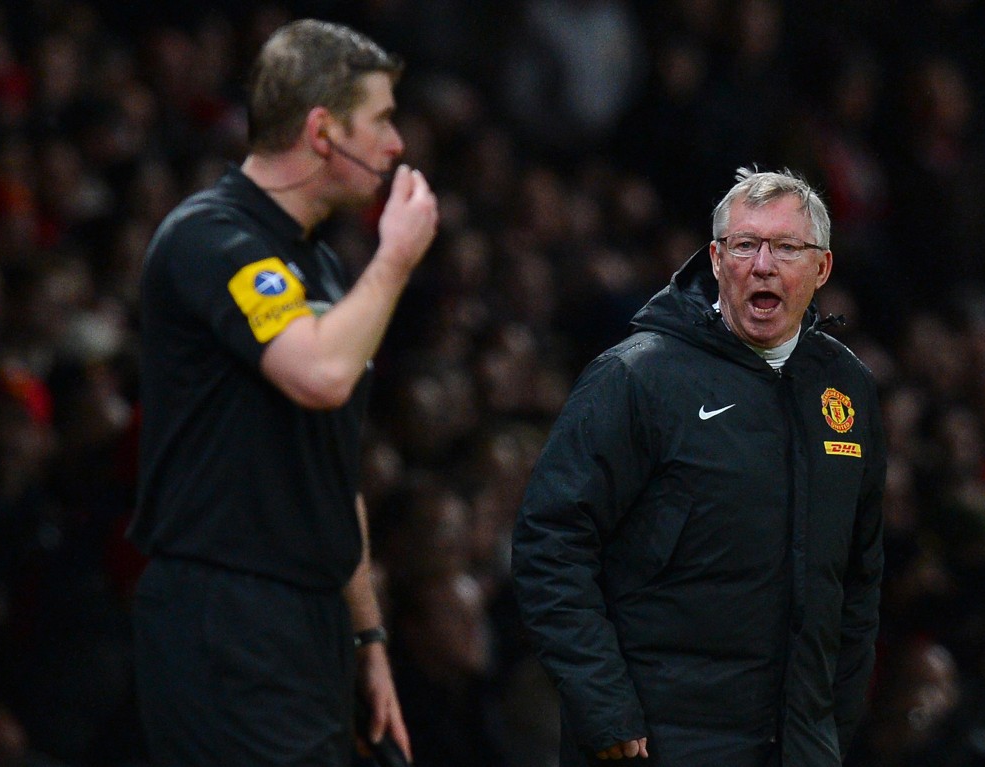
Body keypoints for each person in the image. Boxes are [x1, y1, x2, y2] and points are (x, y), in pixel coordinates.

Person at [127, 18, 437, 767]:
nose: (397, 145)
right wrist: (396, 258)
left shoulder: (321, 269)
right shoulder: (212, 237)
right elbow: (320, 375)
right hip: (226, 613)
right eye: (381, 120)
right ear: (322, 131)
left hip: (310, 621)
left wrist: (367, 638)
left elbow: (334, 470)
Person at [512, 168, 885, 766]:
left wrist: (830, 727)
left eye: (787, 248)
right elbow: (550, 544)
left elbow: (859, 578)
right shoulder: (637, 377)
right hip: (661, 740)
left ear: (822, 268)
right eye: (745, 245)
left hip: (798, 744)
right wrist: (603, 705)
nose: (762, 265)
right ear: (715, 260)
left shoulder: (847, 389)